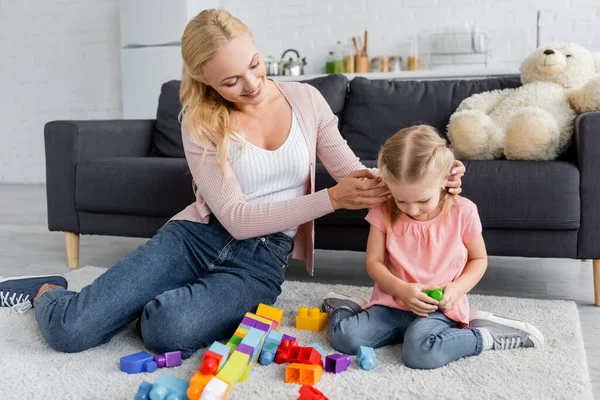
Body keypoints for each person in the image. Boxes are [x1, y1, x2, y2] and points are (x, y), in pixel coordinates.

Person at [0, 10, 465, 359]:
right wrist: (328, 200)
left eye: (255, 65)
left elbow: (353, 175)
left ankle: (131, 302)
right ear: (205, 80)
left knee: (166, 330)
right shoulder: (200, 122)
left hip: (260, 262)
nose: (253, 84)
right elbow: (238, 219)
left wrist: (430, 177)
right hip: (195, 237)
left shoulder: (306, 100)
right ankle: (49, 292)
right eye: (231, 80)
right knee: (70, 332)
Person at [320, 125, 544, 370]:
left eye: (422, 200)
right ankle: (346, 307)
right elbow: (374, 262)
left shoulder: (463, 211)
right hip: (391, 303)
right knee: (344, 338)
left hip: (438, 309)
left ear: (443, 180)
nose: (412, 210)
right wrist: (401, 289)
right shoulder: (383, 209)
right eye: (401, 199)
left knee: (419, 355)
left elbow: (478, 259)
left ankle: (485, 335)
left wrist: (457, 289)